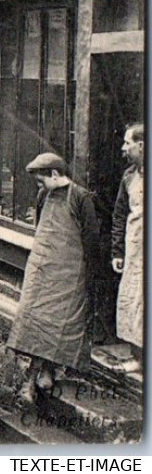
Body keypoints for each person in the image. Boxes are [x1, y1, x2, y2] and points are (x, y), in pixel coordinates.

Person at [7, 152, 101, 398]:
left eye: (41, 180)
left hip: (68, 272)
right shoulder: (43, 195)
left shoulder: (81, 198)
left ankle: (46, 371)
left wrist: (88, 275)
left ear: (56, 174)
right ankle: (32, 376)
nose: (39, 186)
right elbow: (42, 229)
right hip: (43, 267)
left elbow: (91, 239)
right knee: (33, 318)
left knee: (59, 323)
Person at [111, 124, 143, 367]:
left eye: (127, 143)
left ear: (141, 146)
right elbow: (120, 215)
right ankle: (138, 356)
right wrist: (117, 252)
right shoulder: (129, 176)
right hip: (135, 248)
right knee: (134, 299)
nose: (123, 148)